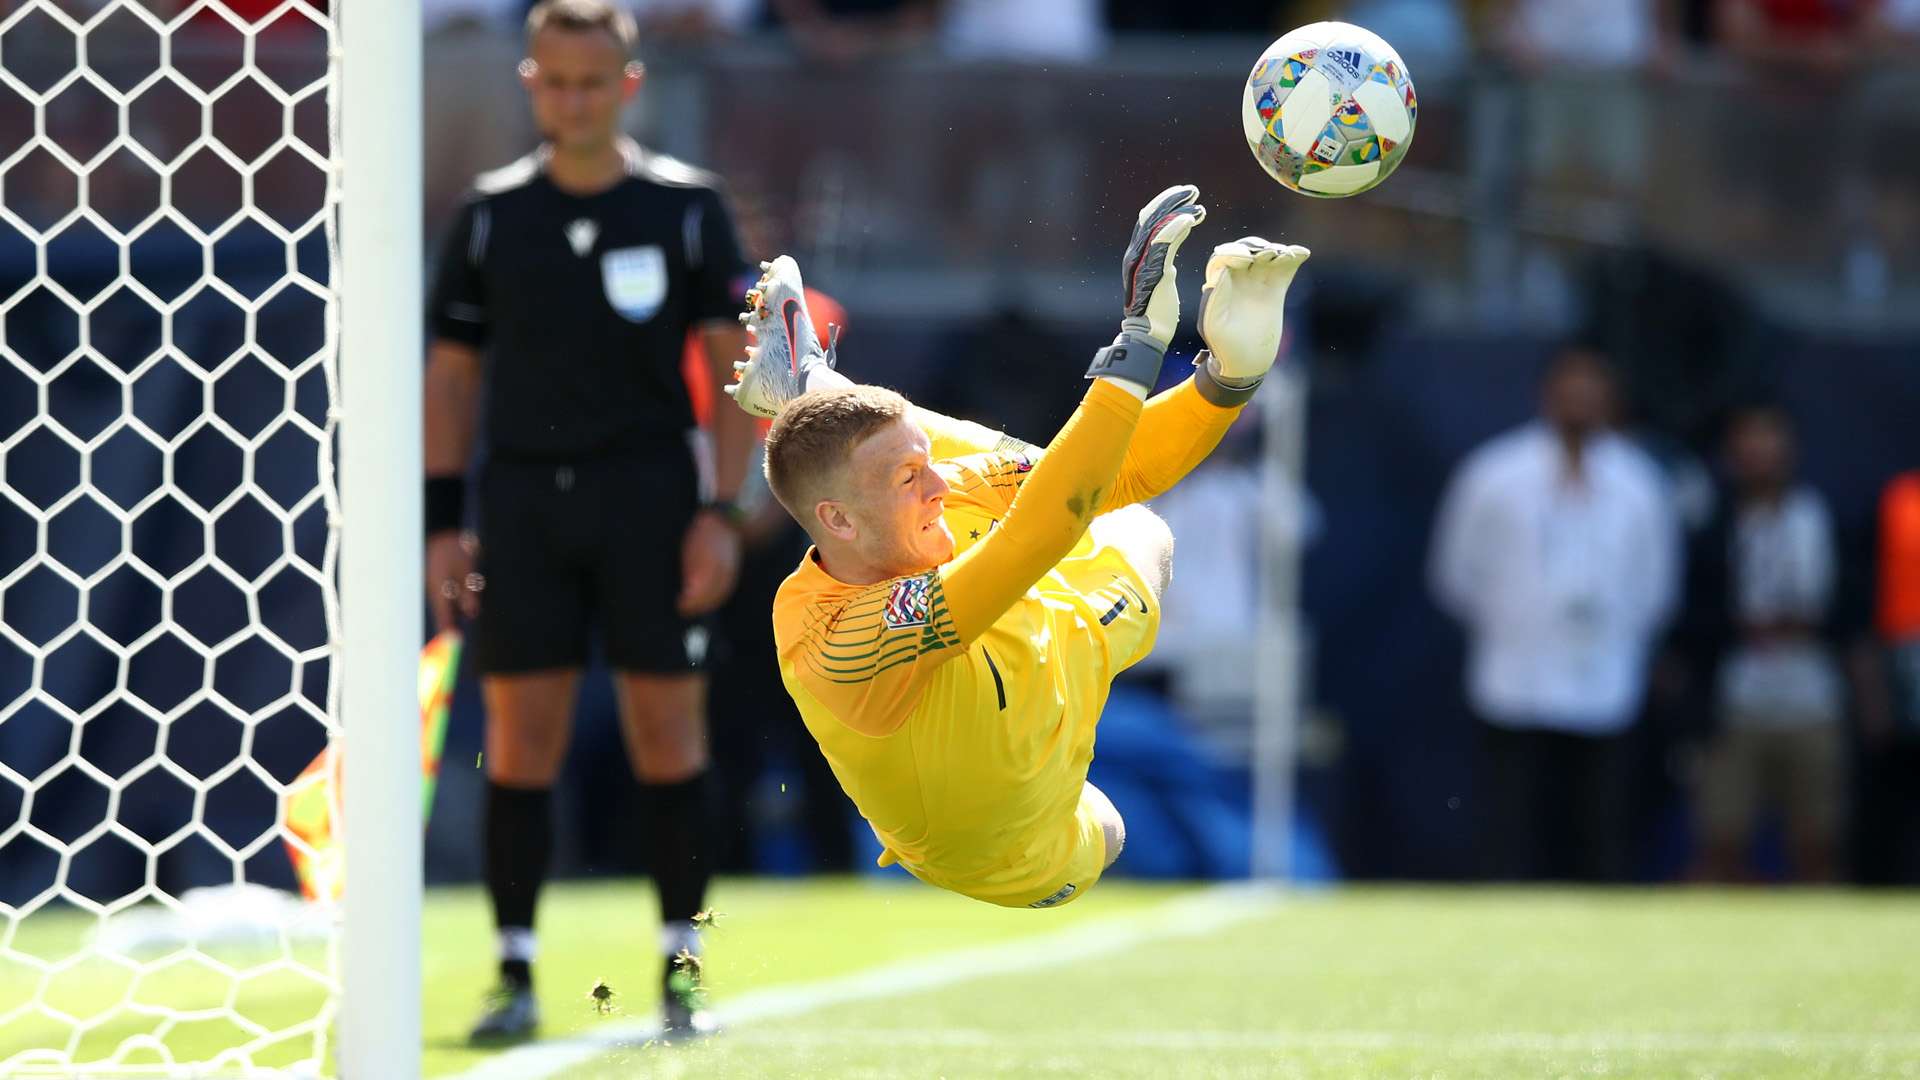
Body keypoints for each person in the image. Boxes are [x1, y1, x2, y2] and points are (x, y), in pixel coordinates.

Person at [727, 185, 1310, 908]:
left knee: (1109, 511)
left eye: (925, 465)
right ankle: (811, 387)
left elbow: (1109, 471)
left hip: (1041, 659)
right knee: (1110, 529)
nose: (940, 484)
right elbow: (1048, 525)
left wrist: (1227, 379)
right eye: (913, 477)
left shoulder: (928, 496)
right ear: (838, 523)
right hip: (999, 852)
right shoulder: (840, 637)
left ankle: (812, 389)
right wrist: (1138, 343)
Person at [421, 0, 756, 1041]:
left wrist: (722, 513)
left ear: (630, 84)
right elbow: (451, 379)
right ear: (530, 83)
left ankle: (682, 970)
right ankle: (515, 974)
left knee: (670, 731)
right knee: (520, 740)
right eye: (556, 81)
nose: (574, 100)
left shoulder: (689, 210)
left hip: (652, 497)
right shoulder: (487, 216)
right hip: (522, 499)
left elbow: (731, 368)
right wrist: (444, 520)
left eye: (593, 81)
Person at [1429, 347, 1680, 882]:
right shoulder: (1493, 473)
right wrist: (1511, 620)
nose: (1580, 403)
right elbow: (1454, 573)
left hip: (1608, 679)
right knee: (1511, 826)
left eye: (1592, 392)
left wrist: (1619, 635)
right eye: (1570, 390)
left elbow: (1657, 583)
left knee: (1601, 825)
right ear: (1546, 395)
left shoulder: (1640, 482)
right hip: (1514, 676)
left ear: (1611, 401)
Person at [1684, 405, 1846, 882]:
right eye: (1746, 439)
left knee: (1818, 841)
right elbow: (1691, 614)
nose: (1759, 450)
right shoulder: (1711, 526)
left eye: (1769, 437)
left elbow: (1852, 610)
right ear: (1730, 453)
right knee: (1722, 839)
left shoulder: (1821, 515)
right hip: (1735, 701)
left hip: (1812, 701)